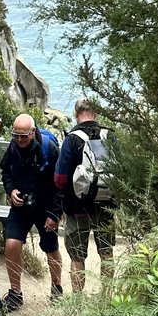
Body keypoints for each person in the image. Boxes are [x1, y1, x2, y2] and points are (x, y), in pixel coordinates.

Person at [0, 113, 63, 308]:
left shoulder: (49, 149)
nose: (19, 140)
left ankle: (57, 288)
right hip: (21, 206)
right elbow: (6, 172)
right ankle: (15, 293)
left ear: (33, 132)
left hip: (45, 207)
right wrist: (11, 191)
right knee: (11, 244)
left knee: (51, 248)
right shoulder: (13, 147)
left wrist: (54, 214)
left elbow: (61, 184)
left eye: (24, 136)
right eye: (16, 135)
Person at [54, 97, 116, 292]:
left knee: (77, 257)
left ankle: (78, 304)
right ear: (95, 113)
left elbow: (60, 178)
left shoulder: (72, 139)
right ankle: (106, 299)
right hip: (105, 205)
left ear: (75, 113)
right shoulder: (110, 136)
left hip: (77, 208)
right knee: (106, 253)